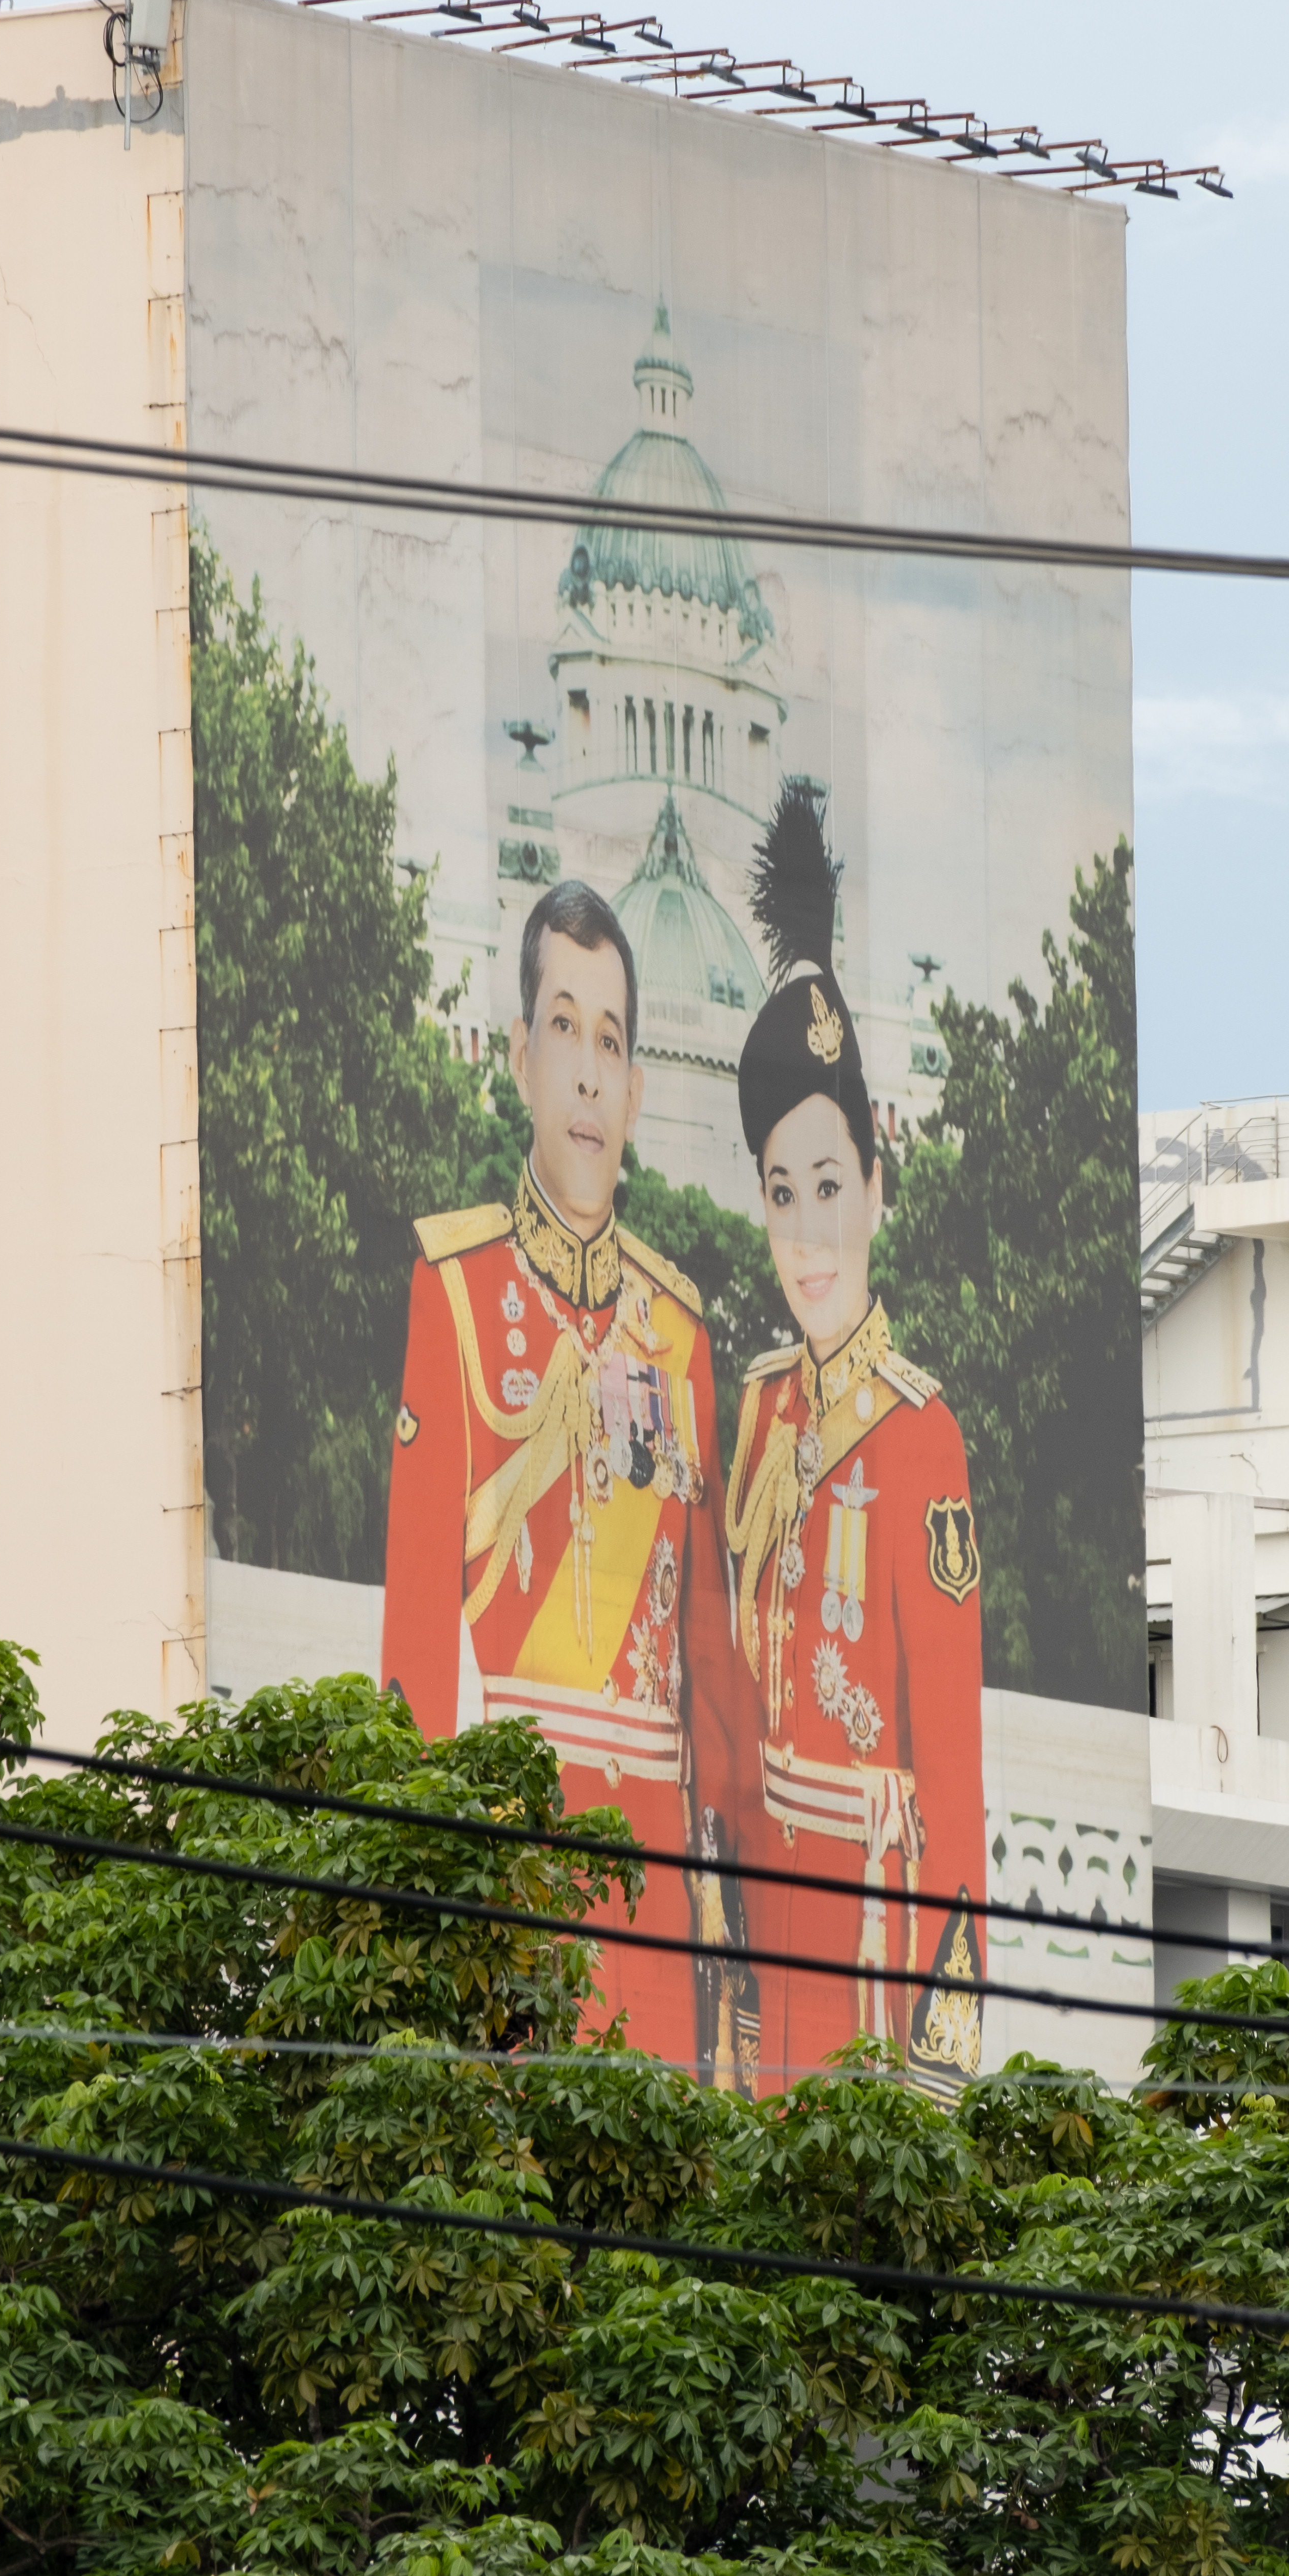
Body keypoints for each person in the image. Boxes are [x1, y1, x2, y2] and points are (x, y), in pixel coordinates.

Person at [382, 879, 750, 2081]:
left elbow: (709, 1663)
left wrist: (726, 1922)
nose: (589, 1073)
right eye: (563, 1028)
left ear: (638, 1090)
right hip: (515, 1866)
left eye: (613, 1041)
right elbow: (416, 1654)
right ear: (519, 1062)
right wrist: (430, 1916)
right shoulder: (456, 1287)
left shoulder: (682, 1334)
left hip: (652, 1890)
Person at [722, 781, 987, 2101]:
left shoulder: (921, 1433)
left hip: (876, 1953)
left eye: (829, 1187)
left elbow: (953, 1768)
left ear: (876, 1188)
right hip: (763, 1936)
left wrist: (941, 2071)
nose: (809, 1233)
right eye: (783, 1196)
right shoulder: (760, 1409)